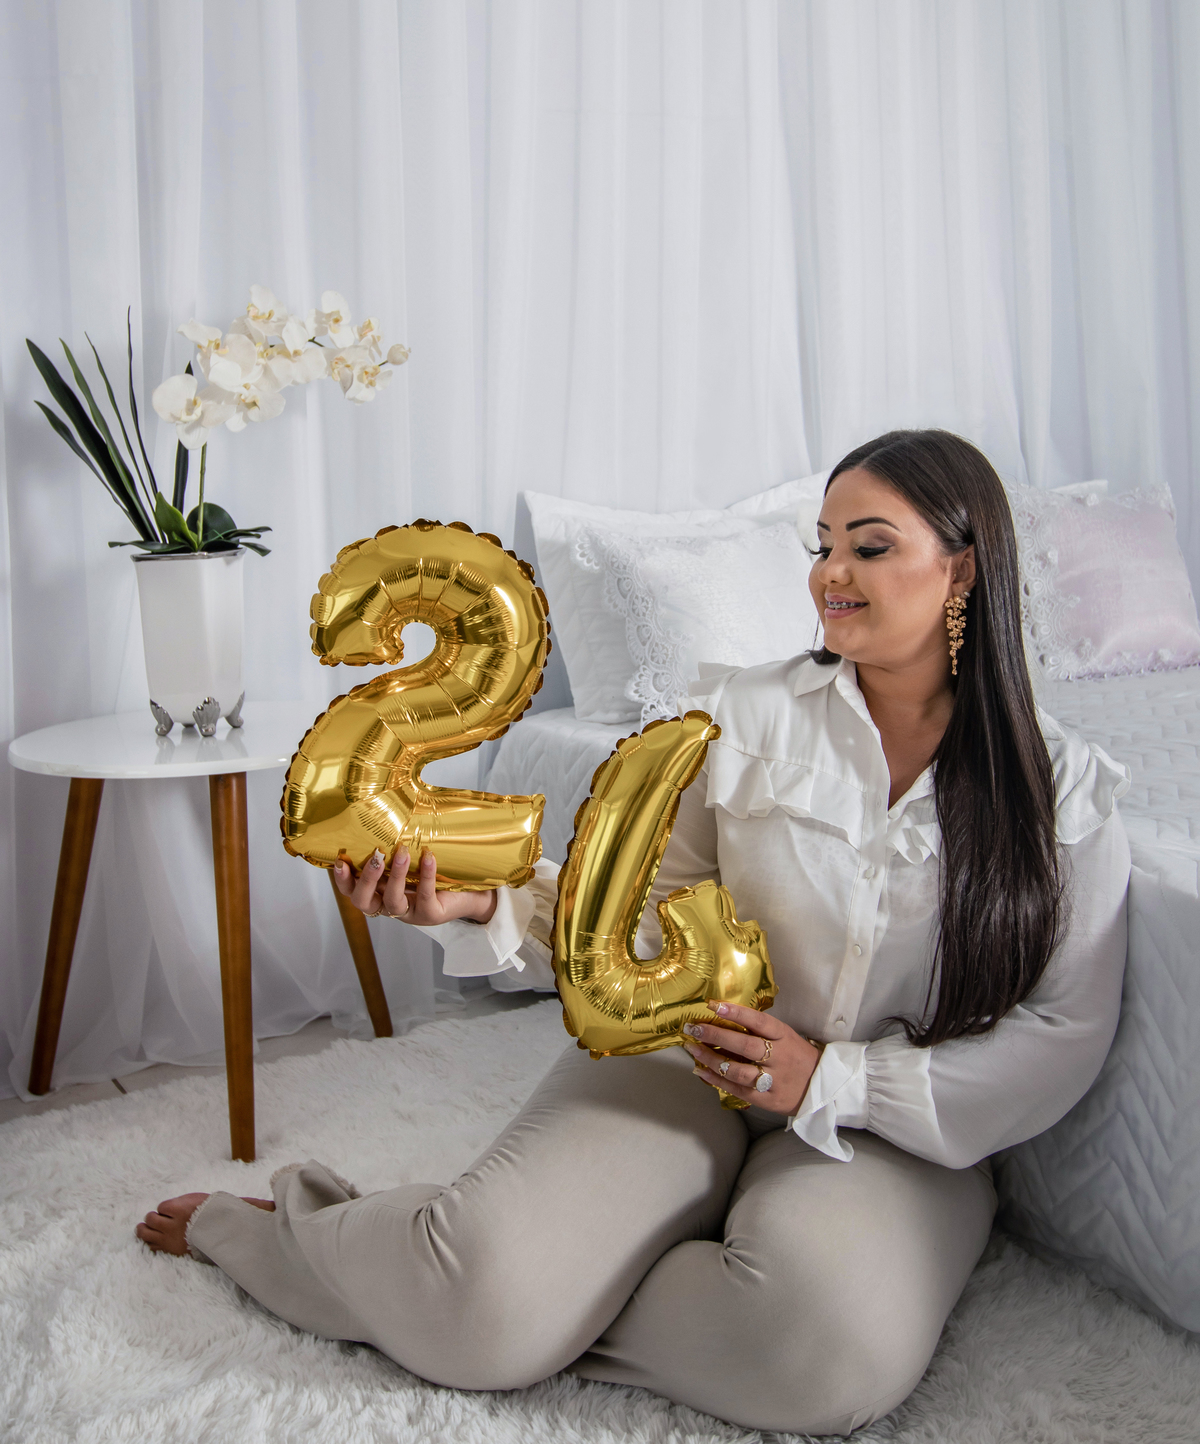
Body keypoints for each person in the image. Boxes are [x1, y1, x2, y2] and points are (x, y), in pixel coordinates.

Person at [138, 430, 1130, 1436]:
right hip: (687, 1062)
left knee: (819, 1365)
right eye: (821, 543)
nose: (830, 572)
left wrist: (830, 1083)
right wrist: (486, 903)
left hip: (894, 1126)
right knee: (481, 1309)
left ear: (962, 568)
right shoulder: (744, 716)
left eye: (869, 547)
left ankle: (490, 1272)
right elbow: (638, 916)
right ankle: (325, 1237)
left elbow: (1063, 1035)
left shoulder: (1067, 790)